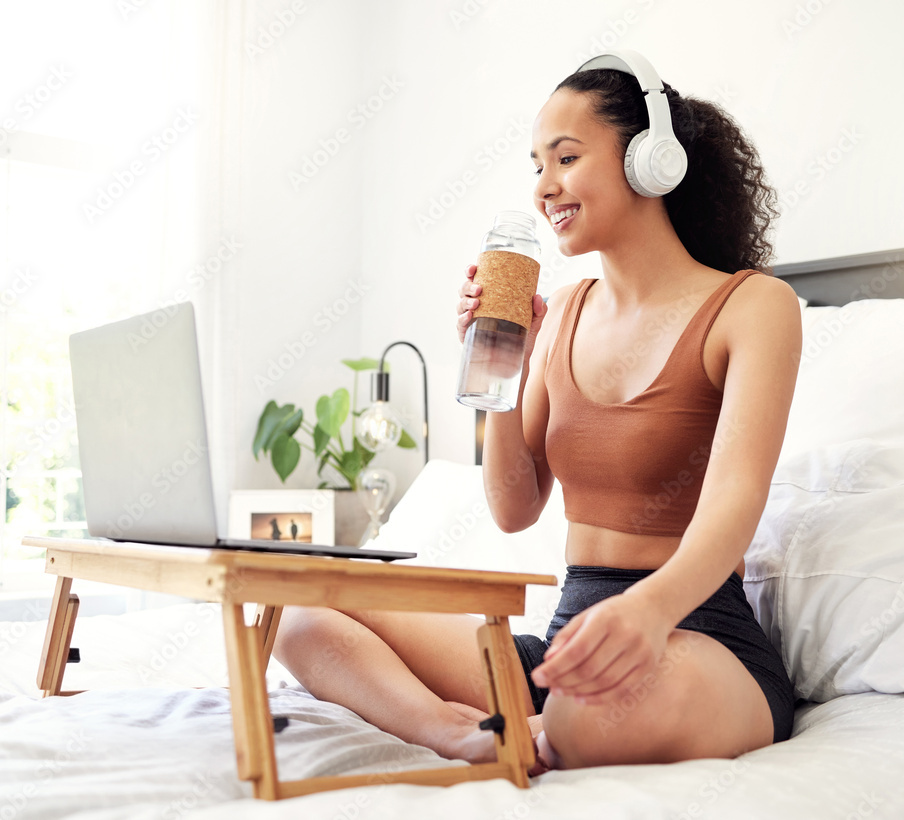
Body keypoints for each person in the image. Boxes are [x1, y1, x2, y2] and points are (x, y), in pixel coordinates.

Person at [273, 53, 802, 772]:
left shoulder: (752, 306)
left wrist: (646, 612)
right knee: (296, 616)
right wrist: (504, 369)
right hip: (567, 644)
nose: (545, 187)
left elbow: (737, 496)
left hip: (696, 637)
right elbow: (513, 509)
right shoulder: (563, 316)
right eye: (536, 165)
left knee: (584, 709)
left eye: (567, 157)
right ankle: (458, 733)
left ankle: (544, 727)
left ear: (651, 161)